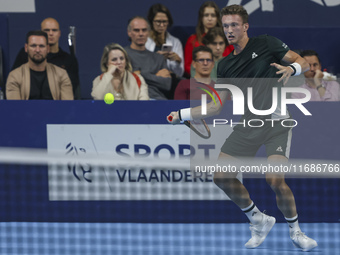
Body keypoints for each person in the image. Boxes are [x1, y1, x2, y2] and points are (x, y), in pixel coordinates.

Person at [167, 5, 317, 252]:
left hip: (277, 123)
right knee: (221, 176)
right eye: (225, 26)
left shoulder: (267, 44)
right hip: (248, 124)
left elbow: (302, 62)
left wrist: (292, 68)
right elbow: (216, 107)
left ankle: (296, 231)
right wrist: (182, 114)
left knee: (275, 179)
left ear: (245, 26)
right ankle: (259, 219)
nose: (229, 30)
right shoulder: (224, 65)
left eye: (234, 25)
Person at [11, 18, 81, 99]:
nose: (50, 33)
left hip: (56, 104)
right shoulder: (26, 54)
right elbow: (15, 80)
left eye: (54, 30)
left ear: (59, 33)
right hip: (27, 103)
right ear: (41, 32)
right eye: (47, 30)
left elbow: (70, 88)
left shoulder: (69, 59)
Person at [125, 16, 171, 100]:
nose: (141, 34)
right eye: (136, 30)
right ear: (129, 32)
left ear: (148, 33)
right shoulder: (123, 55)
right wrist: (155, 76)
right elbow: (126, 80)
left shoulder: (158, 58)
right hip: (133, 101)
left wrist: (140, 74)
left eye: (144, 30)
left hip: (158, 100)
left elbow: (167, 84)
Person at [184, 1, 233, 76]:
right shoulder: (192, 40)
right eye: (206, 15)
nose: (209, 19)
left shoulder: (227, 38)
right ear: (201, 18)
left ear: (217, 18)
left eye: (213, 15)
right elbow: (187, 66)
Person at [146, 3, 184, 77]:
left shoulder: (175, 42)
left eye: (164, 22)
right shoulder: (144, 41)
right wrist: (156, 57)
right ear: (151, 21)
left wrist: (178, 60)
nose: (162, 25)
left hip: (169, 80)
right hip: (150, 80)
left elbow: (179, 73)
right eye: (158, 21)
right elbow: (142, 67)